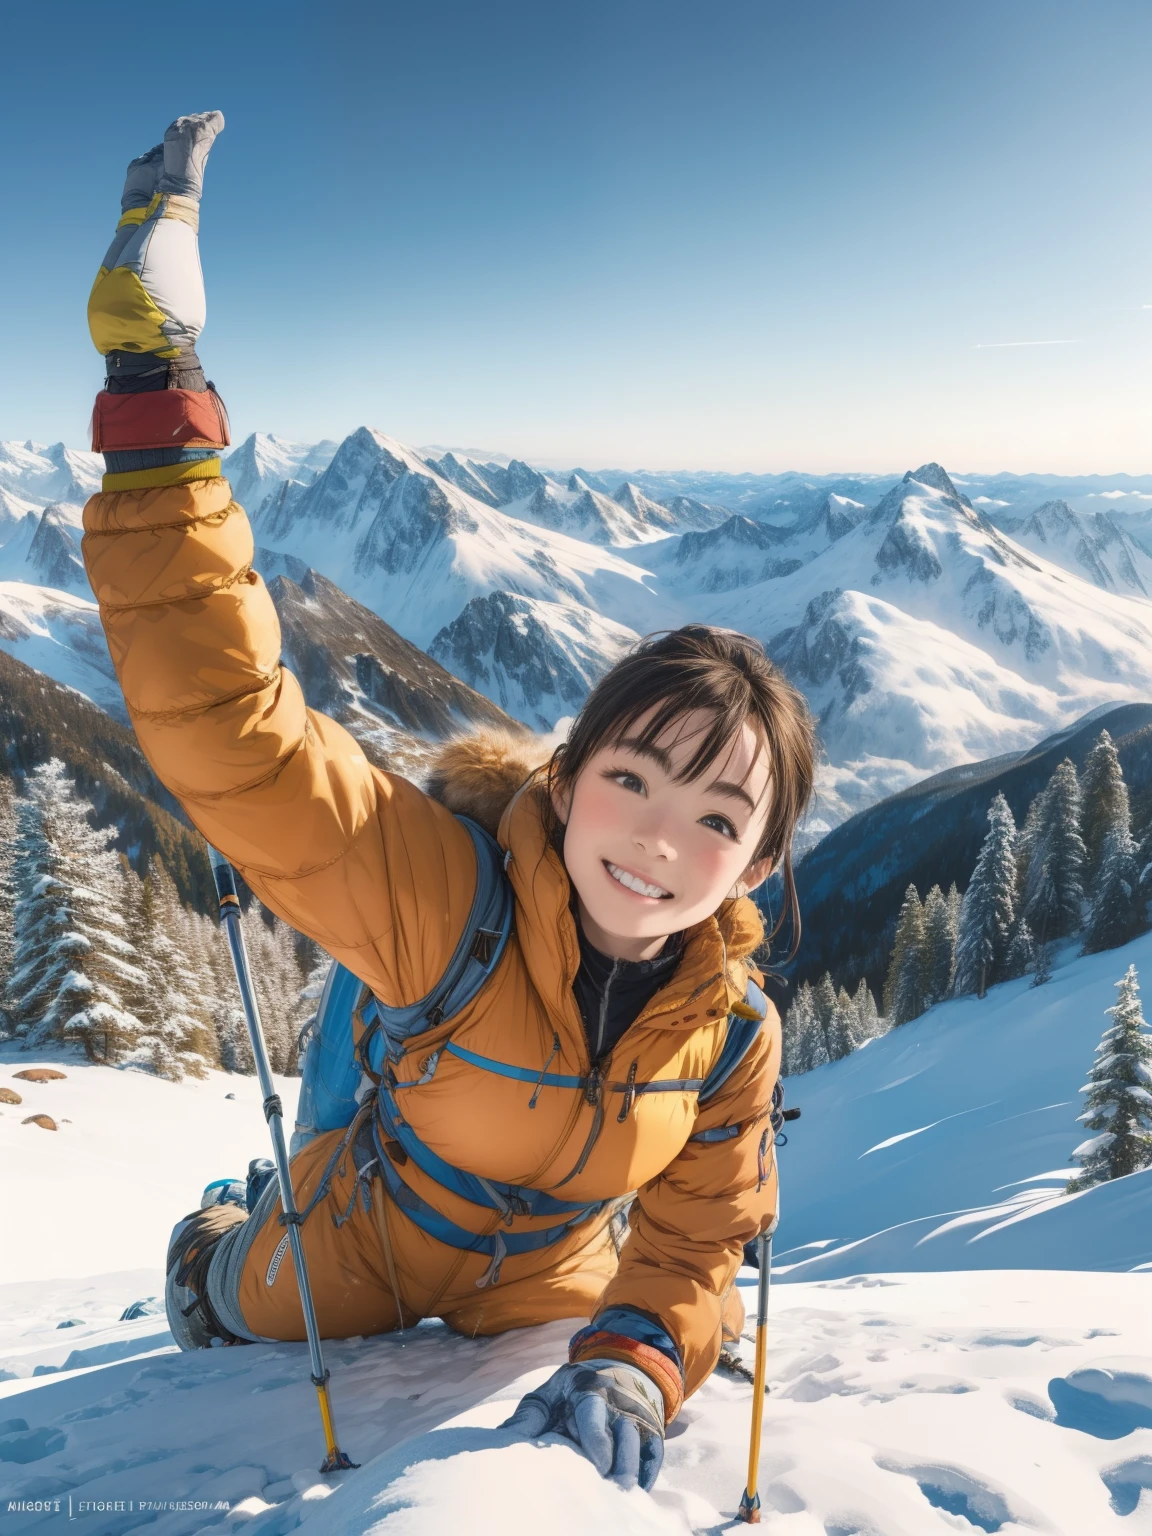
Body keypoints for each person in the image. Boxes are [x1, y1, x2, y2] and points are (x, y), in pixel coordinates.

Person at [82, 113, 816, 1493]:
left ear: (766, 858)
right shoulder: (446, 900)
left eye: (720, 819)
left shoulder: (730, 1036)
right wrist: (153, 394)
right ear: (569, 773)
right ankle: (213, 1236)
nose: (662, 841)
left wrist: (638, 1354)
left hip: (538, 1299)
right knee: (222, 1309)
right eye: (633, 778)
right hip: (351, 1254)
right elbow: (237, 736)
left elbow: (698, 1242)